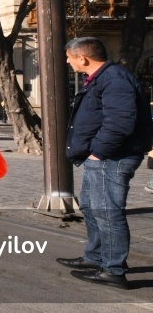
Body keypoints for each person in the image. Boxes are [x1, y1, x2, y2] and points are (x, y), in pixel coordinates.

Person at [59, 37, 153, 290]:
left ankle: (113, 270)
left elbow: (120, 122)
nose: (67, 61)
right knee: (91, 206)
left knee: (108, 212)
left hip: (113, 157)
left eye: (69, 57)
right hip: (103, 156)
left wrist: (98, 153)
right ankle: (96, 257)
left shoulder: (114, 79)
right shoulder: (103, 78)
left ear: (83, 58)